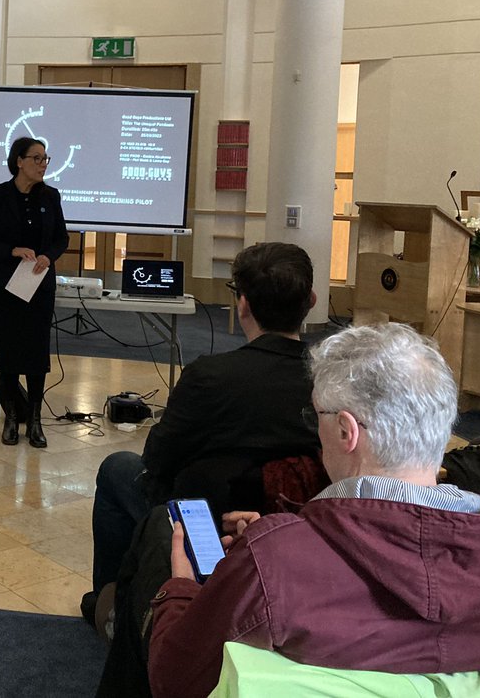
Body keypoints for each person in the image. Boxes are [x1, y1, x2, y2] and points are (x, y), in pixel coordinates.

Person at [144, 323, 480, 698]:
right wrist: (279, 544)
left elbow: (174, 681)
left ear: (347, 432)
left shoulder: (277, 561)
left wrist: (180, 590)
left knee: (157, 541)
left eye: (316, 415)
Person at [87, 242, 319, 602]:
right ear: (312, 301)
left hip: (208, 529)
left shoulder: (208, 376)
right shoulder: (334, 383)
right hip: (296, 532)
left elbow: (157, 461)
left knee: (119, 467)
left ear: (243, 305)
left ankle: (111, 603)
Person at [0, 137, 69, 449]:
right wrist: (12, 250)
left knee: (38, 350)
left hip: (39, 284)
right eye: (37, 158)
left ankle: (36, 420)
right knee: (9, 348)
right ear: (19, 161)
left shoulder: (50, 196)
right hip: (5, 284)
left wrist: (48, 255)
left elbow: (61, 238)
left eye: (45, 159)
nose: (43, 164)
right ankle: (12, 417)